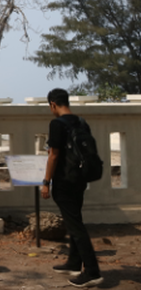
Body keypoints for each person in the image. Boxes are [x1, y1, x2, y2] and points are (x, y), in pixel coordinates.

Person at [42, 88, 103, 288]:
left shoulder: (57, 124)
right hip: (80, 179)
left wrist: (46, 182)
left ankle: (92, 271)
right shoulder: (81, 122)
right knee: (74, 219)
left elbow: (53, 155)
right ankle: (74, 262)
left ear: (53, 104)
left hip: (64, 181)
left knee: (76, 226)